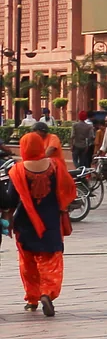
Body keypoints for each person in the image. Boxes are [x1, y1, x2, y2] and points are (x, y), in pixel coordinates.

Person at [6, 131, 76, 316]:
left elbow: (11, 200)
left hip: (25, 222)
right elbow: (68, 188)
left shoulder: (17, 170)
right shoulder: (55, 166)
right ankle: (47, 293)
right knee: (51, 259)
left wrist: (8, 216)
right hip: (51, 221)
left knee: (27, 262)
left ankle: (32, 299)